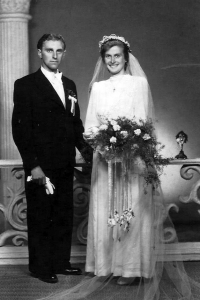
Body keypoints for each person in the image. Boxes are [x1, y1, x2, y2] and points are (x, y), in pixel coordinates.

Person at [36, 35, 199, 300]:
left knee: (132, 211)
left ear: (126, 58)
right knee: (104, 210)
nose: (112, 61)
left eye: (117, 56)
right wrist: (104, 144)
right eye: (108, 56)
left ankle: (131, 268)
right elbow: (89, 126)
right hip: (105, 160)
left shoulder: (139, 84)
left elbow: (143, 123)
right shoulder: (97, 88)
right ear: (103, 59)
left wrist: (129, 145)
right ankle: (106, 265)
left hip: (132, 159)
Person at [12, 33, 89, 284]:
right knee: (41, 216)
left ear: (63, 53)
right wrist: (33, 165)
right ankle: (40, 267)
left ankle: (60, 262)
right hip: (41, 165)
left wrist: (89, 154)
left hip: (65, 162)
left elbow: (75, 124)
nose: (54, 55)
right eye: (48, 50)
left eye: (58, 51)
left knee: (63, 214)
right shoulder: (25, 84)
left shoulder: (70, 85)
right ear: (39, 53)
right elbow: (20, 130)